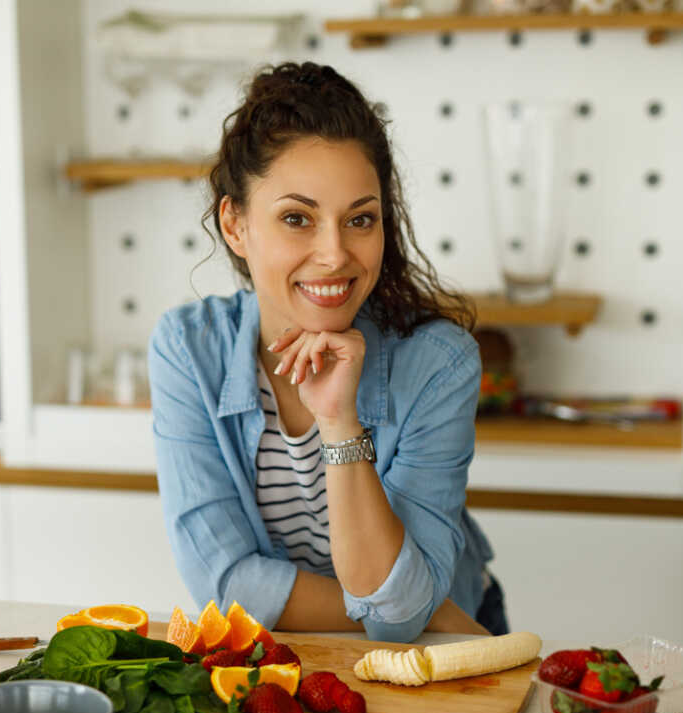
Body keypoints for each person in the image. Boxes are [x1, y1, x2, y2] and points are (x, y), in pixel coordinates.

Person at [149, 61, 507, 642]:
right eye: (297, 218)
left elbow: (398, 617)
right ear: (235, 225)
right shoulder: (188, 351)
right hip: (365, 643)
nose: (336, 254)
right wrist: (410, 609)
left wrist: (340, 425)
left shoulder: (440, 364)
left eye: (359, 219)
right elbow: (224, 583)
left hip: (448, 653)